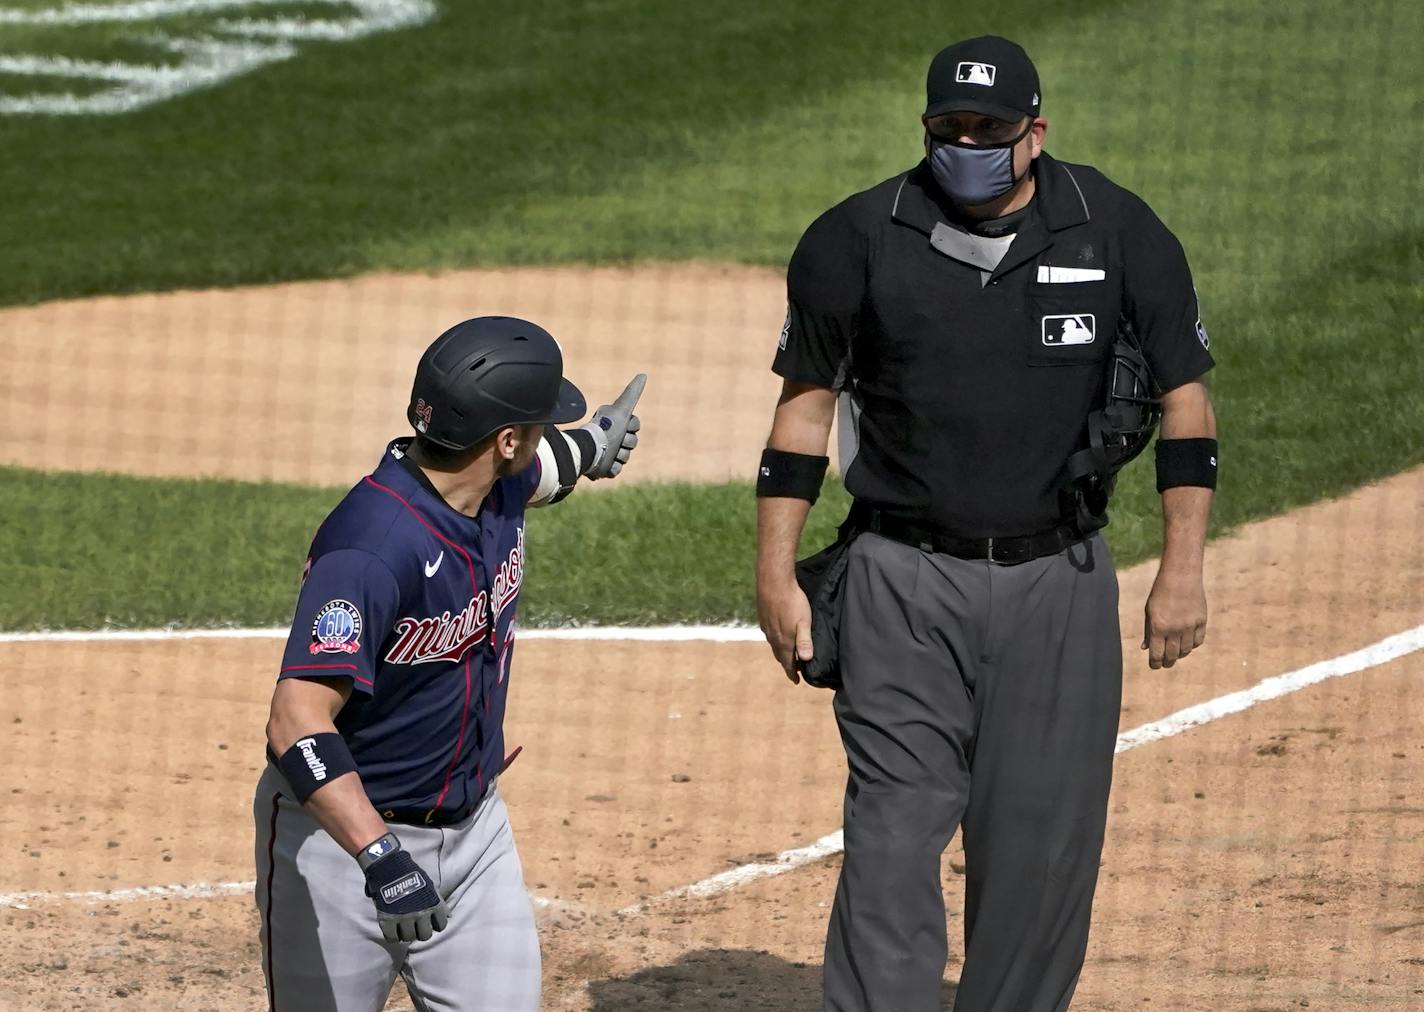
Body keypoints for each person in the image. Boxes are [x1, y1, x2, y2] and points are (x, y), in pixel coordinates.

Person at [755, 34, 1218, 1012]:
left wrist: (1181, 568)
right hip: (897, 580)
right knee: (888, 834)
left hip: (1061, 581)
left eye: (988, 128)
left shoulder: (1114, 230)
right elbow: (802, 410)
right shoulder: (855, 237)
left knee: (1039, 848)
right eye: (946, 127)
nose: (965, 142)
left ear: (1033, 133)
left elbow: (1184, 400)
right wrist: (774, 573)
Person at [255, 316, 645, 1011]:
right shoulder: (371, 549)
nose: (540, 438)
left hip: (475, 838)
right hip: (343, 847)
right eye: (535, 424)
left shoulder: (493, 486)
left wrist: (594, 444)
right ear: (504, 439)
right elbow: (295, 722)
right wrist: (380, 857)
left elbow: (546, 468)